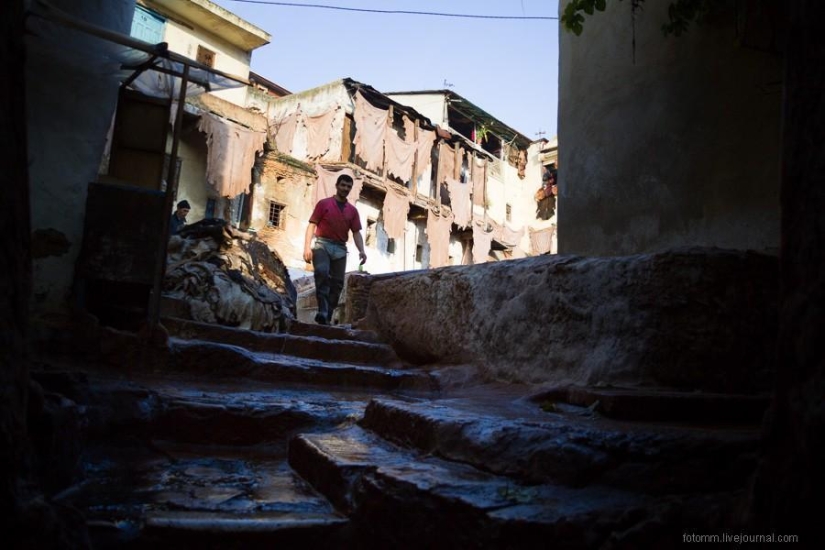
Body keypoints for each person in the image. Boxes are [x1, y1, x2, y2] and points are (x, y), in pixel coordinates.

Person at [303, 174, 367, 325]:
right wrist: (306, 247)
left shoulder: (352, 211)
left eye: (348, 187)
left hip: (340, 249)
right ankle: (323, 309)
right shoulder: (324, 204)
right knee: (322, 272)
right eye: (343, 185)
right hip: (322, 245)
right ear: (337, 185)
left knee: (337, 284)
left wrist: (362, 250)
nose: (345, 189)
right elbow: (312, 224)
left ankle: (327, 315)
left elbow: (356, 232)